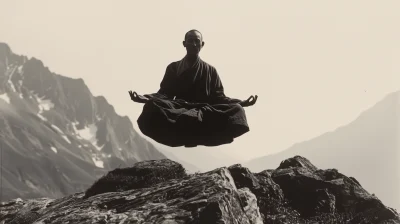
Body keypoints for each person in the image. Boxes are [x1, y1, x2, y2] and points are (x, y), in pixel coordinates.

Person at [129, 29, 258, 147]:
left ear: (202, 44)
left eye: (197, 41)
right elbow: (164, 94)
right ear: (184, 44)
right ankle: (186, 129)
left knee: (237, 109)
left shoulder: (210, 70)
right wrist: (144, 98)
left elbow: (219, 97)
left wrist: (242, 102)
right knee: (152, 106)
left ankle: (196, 129)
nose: (194, 44)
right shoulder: (173, 67)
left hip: (204, 110)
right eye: (190, 41)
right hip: (178, 109)